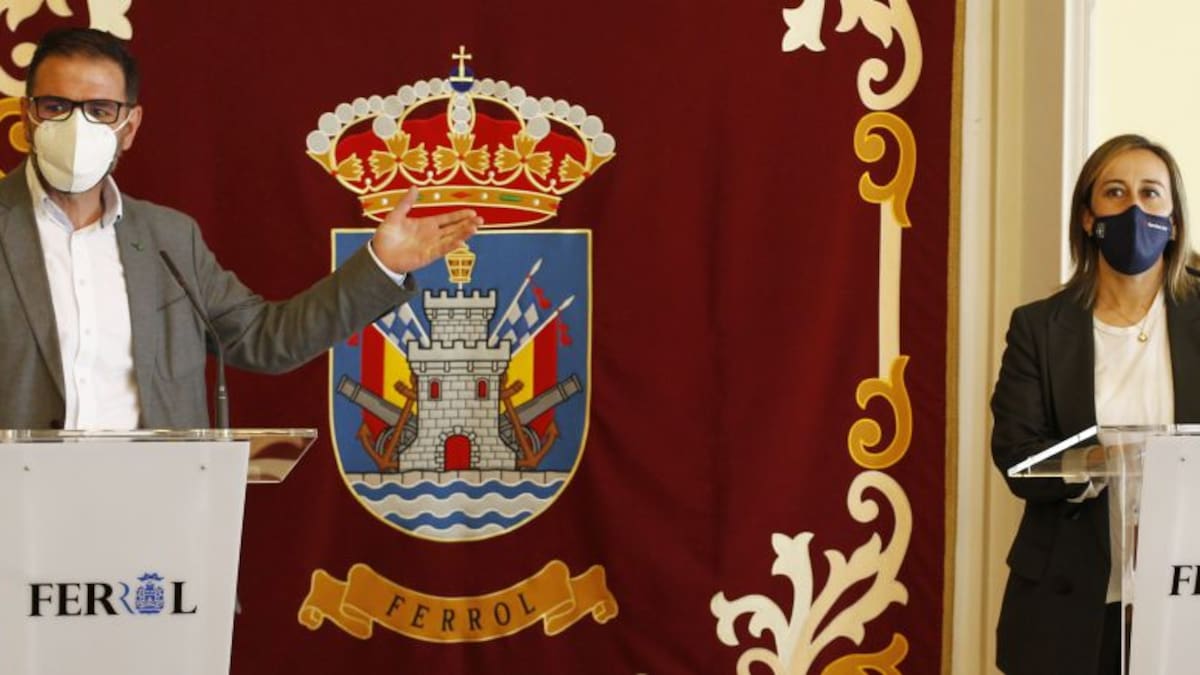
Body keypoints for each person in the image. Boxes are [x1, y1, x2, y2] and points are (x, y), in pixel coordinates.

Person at [0, 27, 481, 430]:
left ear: (129, 126)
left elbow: (267, 339)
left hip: (152, 501)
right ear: (28, 115)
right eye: (56, 107)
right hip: (19, 505)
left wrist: (381, 266)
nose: (78, 127)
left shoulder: (171, 240)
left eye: (100, 110)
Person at [991, 134, 1200, 674]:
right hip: (1071, 602)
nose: (1134, 209)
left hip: (1186, 595)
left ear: (1174, 220)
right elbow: (1017, 457)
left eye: (1150, 193)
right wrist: (1105, 460)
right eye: (1115, 192)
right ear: (1088, 218)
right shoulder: (1039, 327)